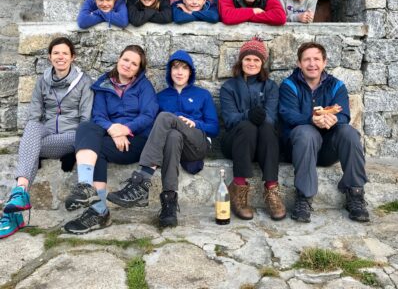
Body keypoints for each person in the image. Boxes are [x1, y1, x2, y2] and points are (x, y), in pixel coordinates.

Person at [106, 50, 219, 228]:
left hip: (197, 144)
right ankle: (169, 205)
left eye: (184, 68)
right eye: (175, 68)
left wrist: (195, 123)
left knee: (166, 117)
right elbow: (153, 128)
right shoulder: (161, 97)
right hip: (172, 147)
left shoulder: (202, 94)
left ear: (190, 72)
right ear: (169, 72)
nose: (179, 72)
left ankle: (141, 181)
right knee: (173, 135)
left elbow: (214, 128)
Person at [0, 37, 93, 239]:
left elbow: (86, 119)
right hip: (48, 131)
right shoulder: (43, 81)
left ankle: (15, 208)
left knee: (29, 147)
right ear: (50, 57)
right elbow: (35, 114)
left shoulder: (84, 82)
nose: (60, 57)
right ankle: (20, 193)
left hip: (72, 136)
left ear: (72, 57)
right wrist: (36, 132)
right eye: (56, 53)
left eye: (65, 53)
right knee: (32, 127)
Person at [63, 45, 158, 234]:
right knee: (86, 128)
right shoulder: (104, 84)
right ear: (118, 59)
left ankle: (98, 212)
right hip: (113, 138)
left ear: (139, 69)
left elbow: (149, 114)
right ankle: (87, 189)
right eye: (126, 60)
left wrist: (126, 129)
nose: (128, 65)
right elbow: (98, 115)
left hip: (138, 142)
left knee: (97, 147)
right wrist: (113, 129)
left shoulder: (144, 86)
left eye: (134, 63)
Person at [279, 42, 369, 223]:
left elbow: (343, 114)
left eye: (316, 59)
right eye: (307, 60)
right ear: (299, 63)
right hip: (297, 148)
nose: (312, 64)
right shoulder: (289, 85)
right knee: (306, 132)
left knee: (349, 133)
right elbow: (287, 114)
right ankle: (304, 198)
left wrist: (334, 120)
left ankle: (355, 194)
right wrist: (311, 119)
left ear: (324, 62)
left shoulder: (337, 86)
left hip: (327, 151)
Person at [220, 37, 286, 221]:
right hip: (236, 143)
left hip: (264, 145)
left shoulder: (271, 87)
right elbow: (229, 120)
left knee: (266, 126)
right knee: (247, 126)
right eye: (248, 59)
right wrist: (247, 115)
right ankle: (239, 187)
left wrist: (261, 117)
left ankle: (271, 188)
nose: (251, 63)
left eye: (256, 60)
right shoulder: (229, 87)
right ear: (241, 61)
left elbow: (272, 118)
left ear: (262, 63)